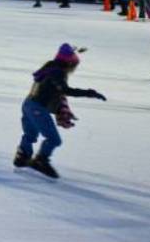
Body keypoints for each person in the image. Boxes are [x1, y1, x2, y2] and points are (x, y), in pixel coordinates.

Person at [14, 44, 106, 179]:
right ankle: (41, 160)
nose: (74, 68)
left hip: (28, 104)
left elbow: (52, 91)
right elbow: (65, 90)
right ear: (68, 62)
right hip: (37, 108)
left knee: (30, 135)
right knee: (54, 140)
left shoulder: (50, 66)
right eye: (74, 64)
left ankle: (22, 157)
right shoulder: (57, 72)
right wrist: (89, 93)